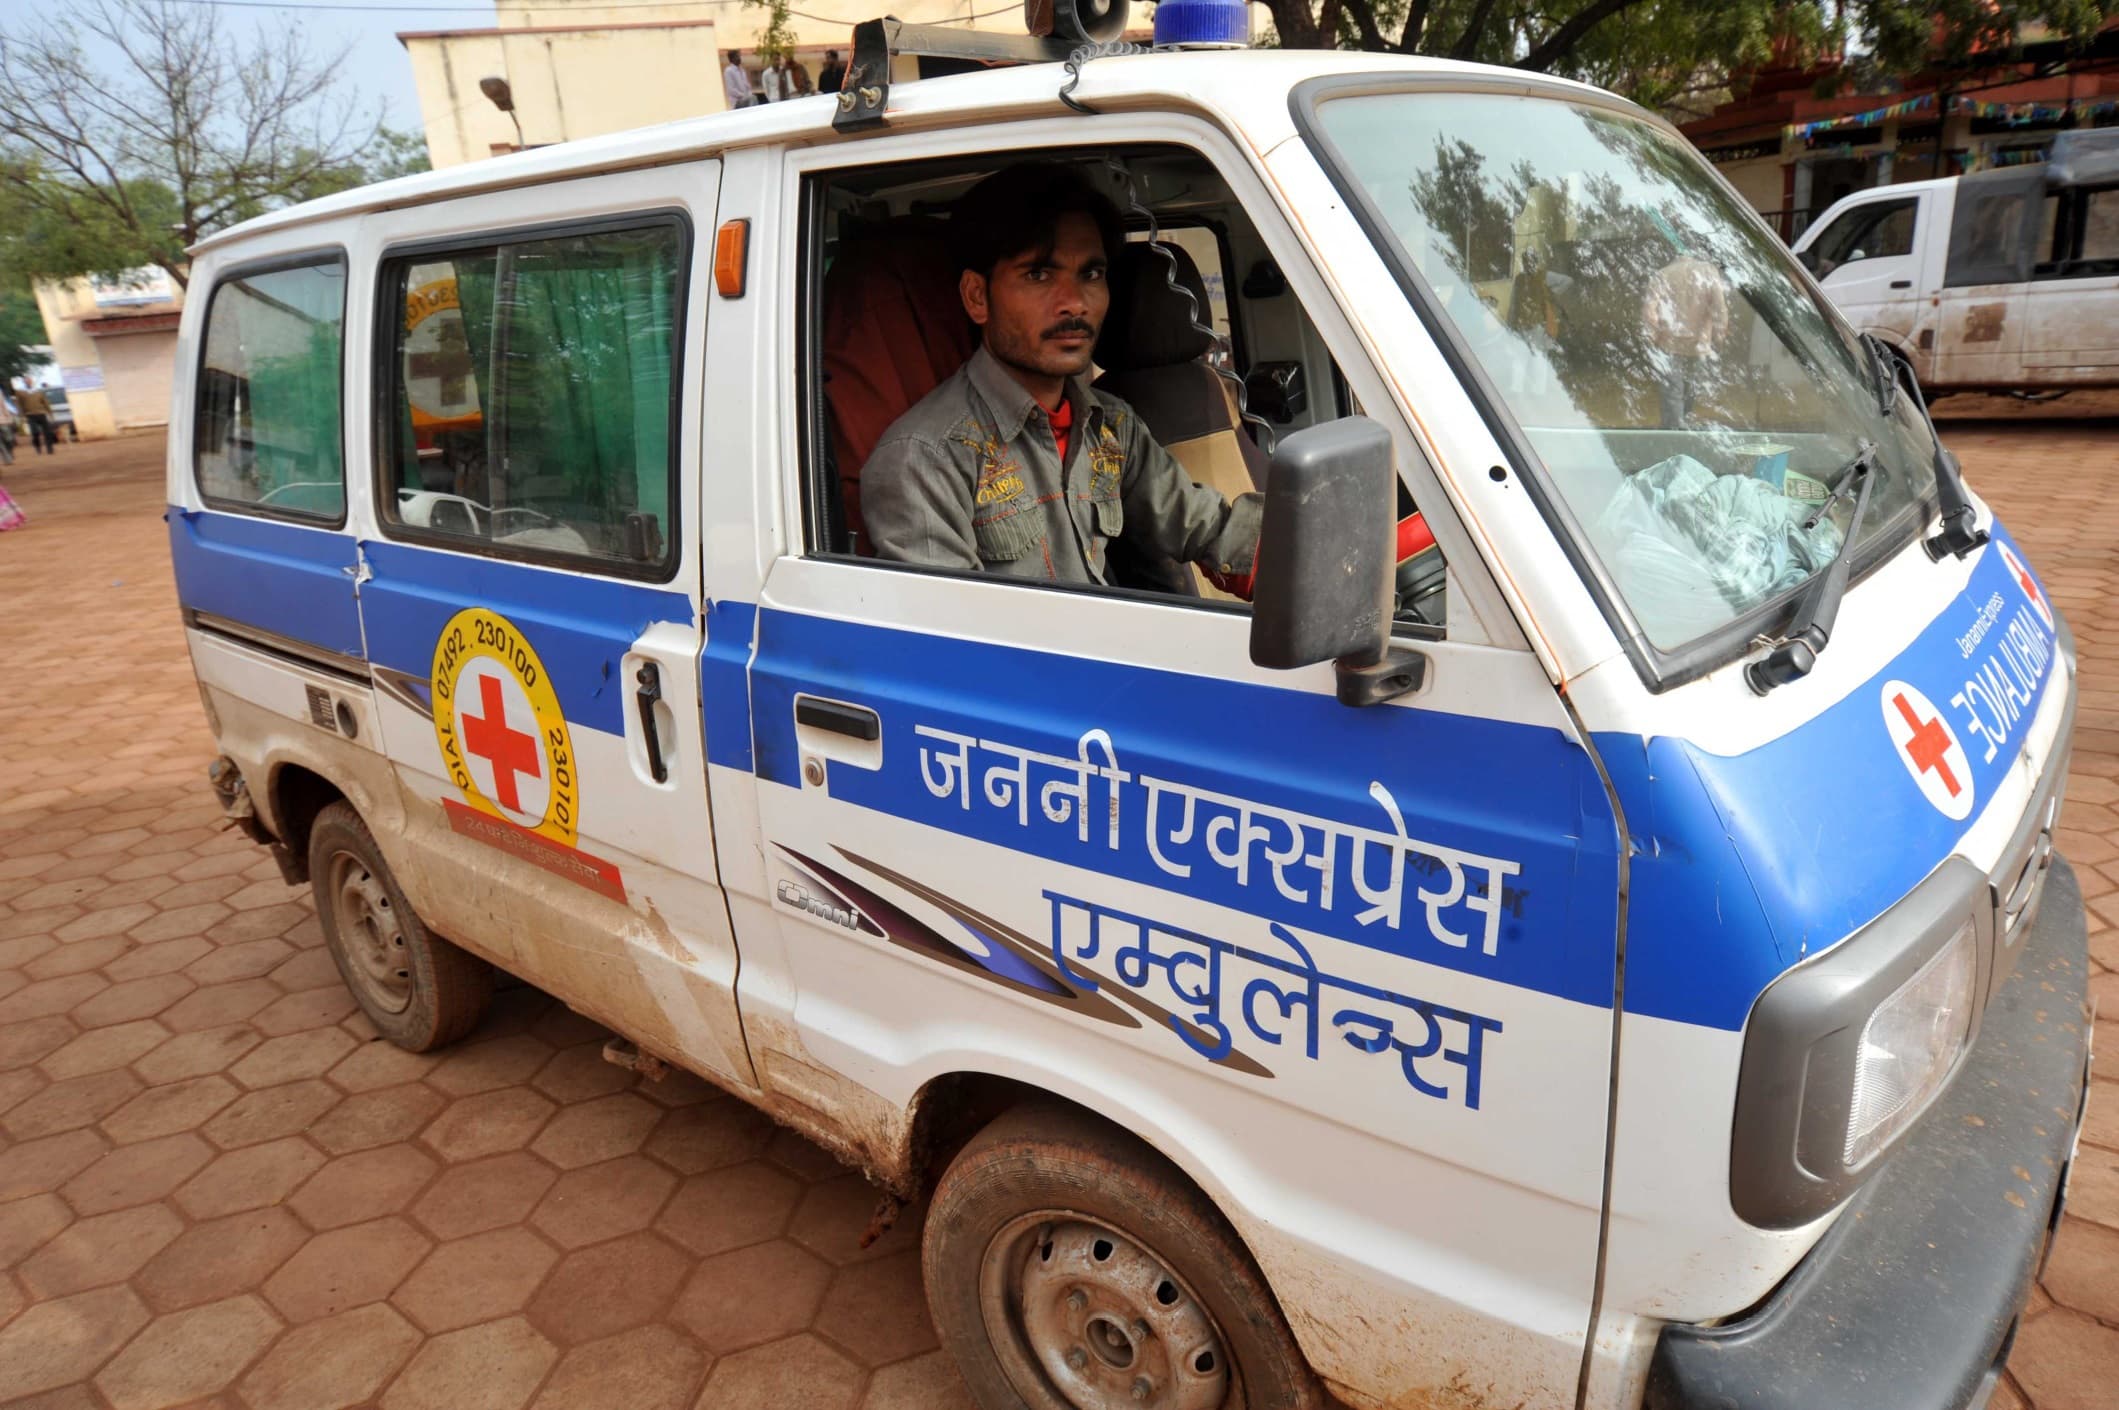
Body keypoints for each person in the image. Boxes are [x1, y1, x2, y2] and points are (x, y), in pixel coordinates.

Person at [860, 163, 1260, 591]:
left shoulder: (1112, 427)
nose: (1075, 303)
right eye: (1038, 274)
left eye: (1091, 274)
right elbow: (955, 644)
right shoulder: (927, 458)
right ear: (977, 297)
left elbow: (1210, 529)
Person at [16, 382, 54, 455]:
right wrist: (22, 416)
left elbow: (45, 402)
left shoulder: (38, 392)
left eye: (30, 381)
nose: (29, 383)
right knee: (35, 432)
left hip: (41, 413)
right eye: (27, 381)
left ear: (32, 382)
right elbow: (19, 405)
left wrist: (50, 412)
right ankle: (37, 447)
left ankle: (50, 448)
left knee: (47, 432)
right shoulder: (21, 393)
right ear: (25, 383)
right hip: (30, 415)